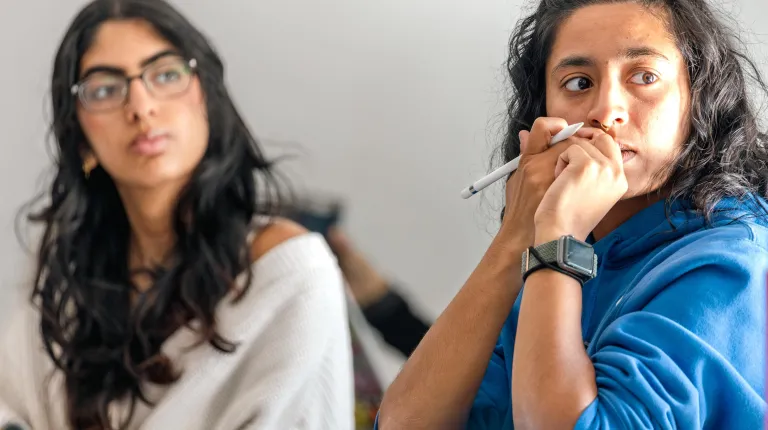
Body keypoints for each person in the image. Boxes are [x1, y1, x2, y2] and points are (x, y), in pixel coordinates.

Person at [377, 0, 768, 428]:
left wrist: (557, 238)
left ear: (700, 96)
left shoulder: (733, 263)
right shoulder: (557, 260)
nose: (604, 112)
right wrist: (516, 236)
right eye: (579, 82)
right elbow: (405, 422)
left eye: (644, 76)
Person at [0, 0, 353, 429]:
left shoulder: (291, 274)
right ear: (80, 139)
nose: (141, 106)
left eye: (166, 74)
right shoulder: (63, 272)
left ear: (205, 94)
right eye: (105, 89)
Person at [326, 228, 431, 358]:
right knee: (419, 344)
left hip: (383, 305)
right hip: (382, 306)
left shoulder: (346, 259)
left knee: (420, 342)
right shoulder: (342, 261)